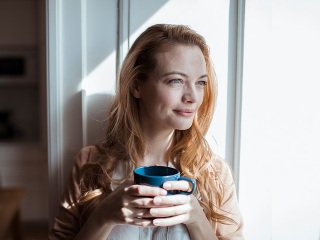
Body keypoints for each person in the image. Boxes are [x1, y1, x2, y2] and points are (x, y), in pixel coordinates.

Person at [49, 24, 245, 240]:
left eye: (200, 83)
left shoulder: (214, 173)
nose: (193, 97)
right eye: (176, 81)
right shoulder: (90, 163)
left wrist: (197, 219)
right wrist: (103, 216)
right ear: (136, 85)